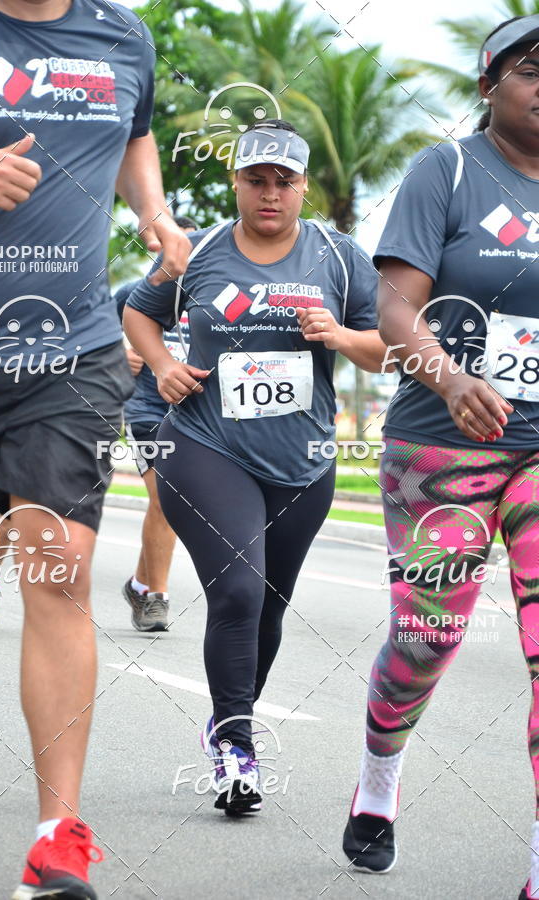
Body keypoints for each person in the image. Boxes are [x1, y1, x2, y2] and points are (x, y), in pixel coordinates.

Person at [0, 1, 190, 897]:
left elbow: (135, 134)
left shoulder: (123, 35)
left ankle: (57, 841)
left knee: (59, 562)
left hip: (71, 352)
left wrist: (154, 212)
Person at [124, 119, 388, 814]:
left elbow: (386, 350)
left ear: (303, 188)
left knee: (269, 605)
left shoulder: (340, 257)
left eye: (284, 181)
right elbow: (139, 313)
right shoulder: (199, 251)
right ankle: (237, 749)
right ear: (236, 182)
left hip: (302, 461)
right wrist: (163, 365)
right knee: (238, 592)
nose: (270, 193)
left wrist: (340, 335)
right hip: (206, 445)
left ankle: (227, 719)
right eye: (256, 180)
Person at [340, 16, 539, 898]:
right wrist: (451, 378)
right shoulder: (447, 171)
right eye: (532, 69)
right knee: (426, 641)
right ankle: (378, 778)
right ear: (490, 85)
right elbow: (394, 308)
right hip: (443, 445)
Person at [115, 214, 197, 632]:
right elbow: (89, 340)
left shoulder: (212, 298)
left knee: (173, 504)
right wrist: (118, 357)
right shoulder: (131, 294)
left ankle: (138, 584)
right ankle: (155, 599)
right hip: (147, 409)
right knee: (165, 498)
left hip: (196, 415)